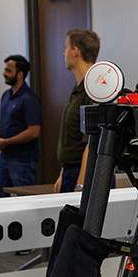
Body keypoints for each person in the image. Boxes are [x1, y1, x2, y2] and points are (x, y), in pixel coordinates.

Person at [53, 28, 100, 193]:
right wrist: (62, 172)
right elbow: (71, 135)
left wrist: (81, 183)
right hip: (70, 171)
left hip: (84, 174)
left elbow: (92, 142)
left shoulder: (93, 89)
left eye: (66, 48)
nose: (63, 54)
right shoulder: (79, 88)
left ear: (75, 51)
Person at [0, 54, 41, 197]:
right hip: (4, 158)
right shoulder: (6, 95)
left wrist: (6, 142)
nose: (4, 73)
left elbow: (33, 131)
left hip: (22, 160)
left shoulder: (29, 99)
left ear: (20, 74)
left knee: (23, 199)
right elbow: (3, 120)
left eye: (8, 71)